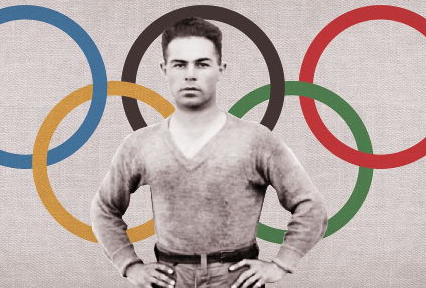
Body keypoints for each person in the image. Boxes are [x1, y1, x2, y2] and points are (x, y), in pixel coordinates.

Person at [90, 17, 328, 288]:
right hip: (170, 280)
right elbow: (104, 209)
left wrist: (281, 264)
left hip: (237, 279)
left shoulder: (257, 140)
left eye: (202, 64)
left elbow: (311, 206)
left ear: (220, 69)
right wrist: (130, 265)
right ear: (164, 69)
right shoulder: (139, 143)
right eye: (180, 64)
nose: (190, 74)